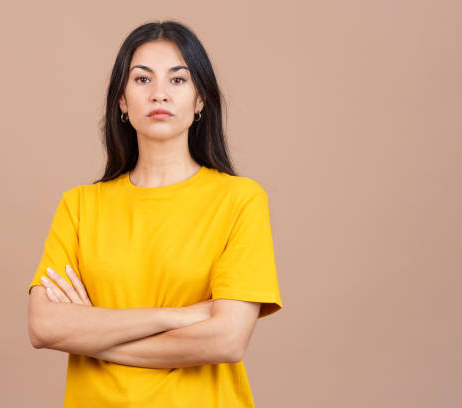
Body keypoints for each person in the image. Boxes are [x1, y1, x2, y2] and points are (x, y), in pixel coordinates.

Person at [26, 20, 283, 407]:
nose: (159, 94)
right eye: (142, 80)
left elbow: (226, 340)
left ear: (200, 100)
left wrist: (93, 334)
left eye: (178, 80)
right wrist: (176, 317)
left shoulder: (239, 200)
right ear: (122, 101)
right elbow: (44, 327)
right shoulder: (79, 206)